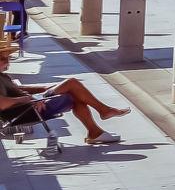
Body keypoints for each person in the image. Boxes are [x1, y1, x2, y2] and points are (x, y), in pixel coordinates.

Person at [0, 35, 128, 145]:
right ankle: (103, 113)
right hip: (27, 110)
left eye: (7, 57)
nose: (7, 61)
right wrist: (28, 99)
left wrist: (44, 88)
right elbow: (3, 103)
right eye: (3, 58)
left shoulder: (3, 76)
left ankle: (95, 131)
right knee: (72, 84)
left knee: (75, 91)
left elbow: (18, 89)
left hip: (32, 103)